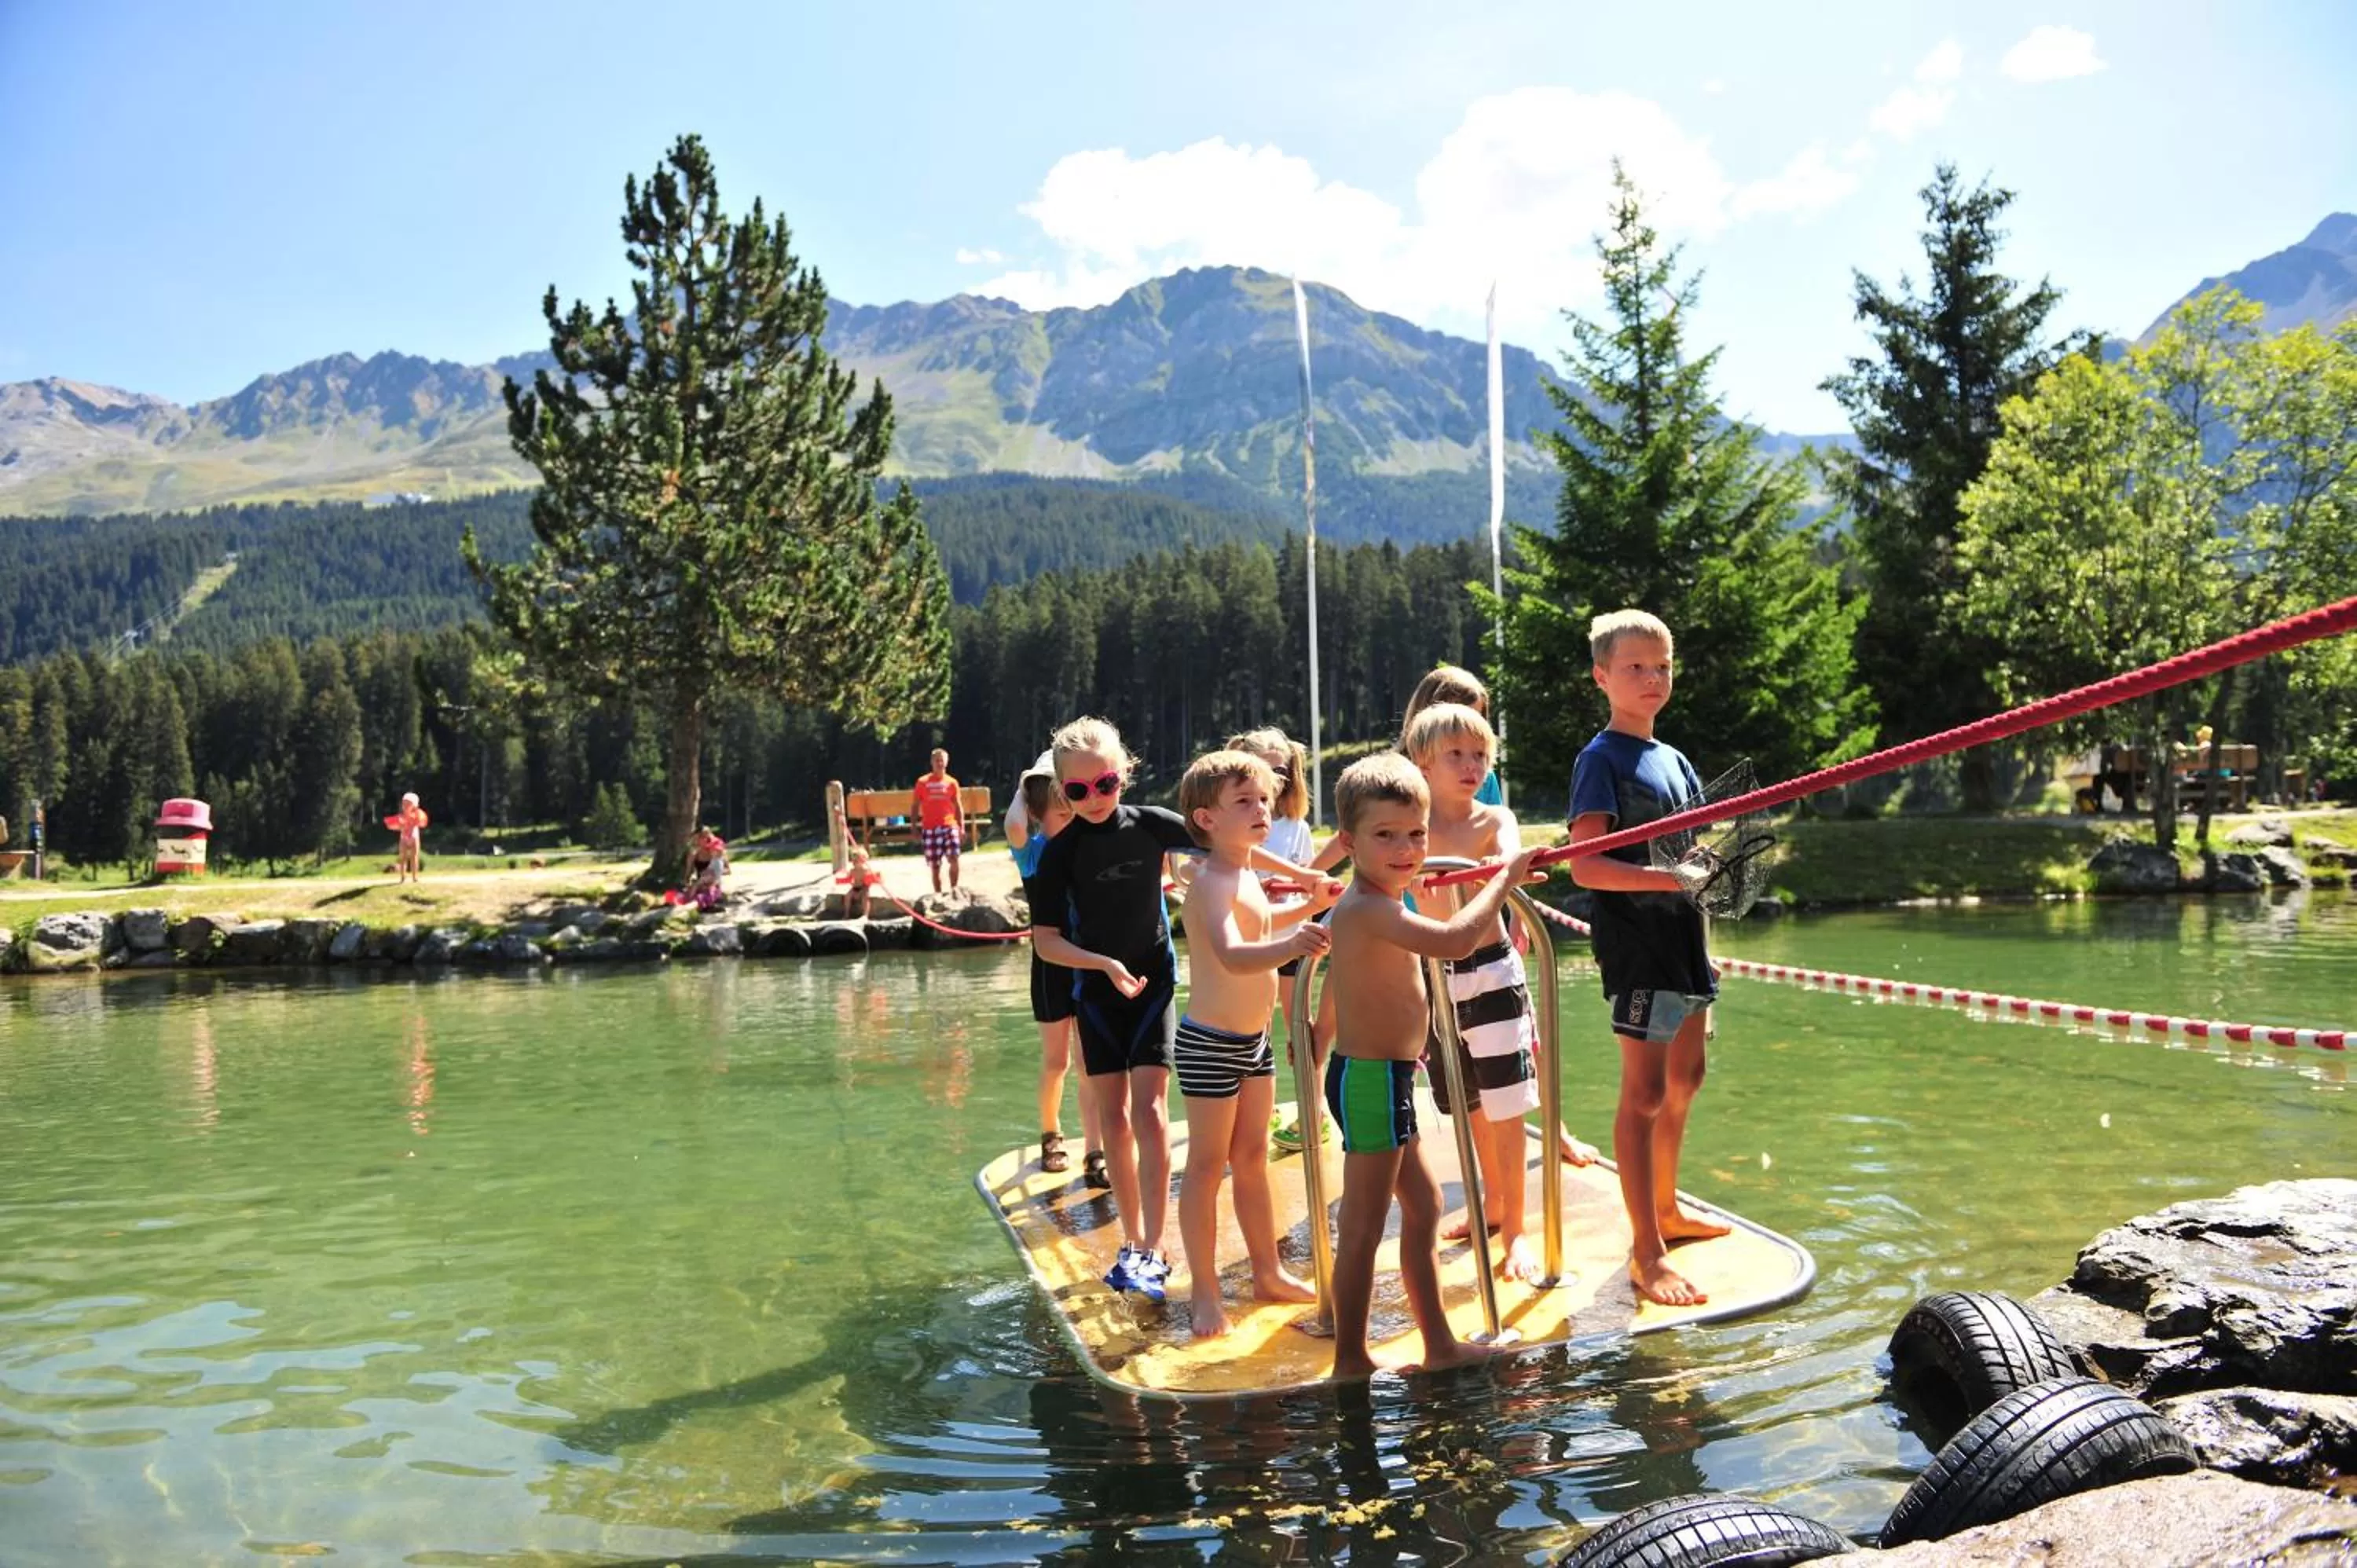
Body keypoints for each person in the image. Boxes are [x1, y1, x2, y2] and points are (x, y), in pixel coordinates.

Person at [1028, 717, 1322, 1303]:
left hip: (1154, 980)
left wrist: (1306, 877)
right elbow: (1045, 941)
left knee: (1154, 1109)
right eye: (1078, 792)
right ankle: (1135, 1238)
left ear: (1124, 776)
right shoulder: (1058, 855)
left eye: (1105, 785)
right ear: (1063, 792)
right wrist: (1100, 965)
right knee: (1112, 1115)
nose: (1094, 800)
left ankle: (1159, 1240)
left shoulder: (1152, 826)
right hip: (1098, 987)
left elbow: (1233, 848)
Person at [1321, 751, 1538, 1380]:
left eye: (1415, 833)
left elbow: (1349, 986)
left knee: (1420, 1210)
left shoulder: (1382, 899)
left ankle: (1438, 1344)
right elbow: (1452, 941)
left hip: (1382, 1079)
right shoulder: (1367, 906)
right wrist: (1502, 879)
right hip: (1369, 1081)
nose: (1406, 848)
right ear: (1349, 843)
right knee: (1362, 1226)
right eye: (1384, 835)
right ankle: (1351, 1360)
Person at [1567, 609, 1728, 1309]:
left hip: (1687, 943)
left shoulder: (1677, 759)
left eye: (1662, 666)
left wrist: (1704, 873)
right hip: (1638, 948)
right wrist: (1667, 880)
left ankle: (1666, 1208)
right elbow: (1587, 867)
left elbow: (1689, 857)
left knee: (1687, 1078)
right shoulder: (1599, 760)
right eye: (1635, 666)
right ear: (1603, 676)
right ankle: (1644, 1252)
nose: (1652, 678)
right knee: (1645, 1095)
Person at [1400, 665, 1600, 1169]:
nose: (1473, 754)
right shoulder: (1405, 791)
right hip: (1421, 933)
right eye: (1460, 726)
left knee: (1519, 1045)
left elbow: (1501, 850)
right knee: (1451, 1067)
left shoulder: (1482, 790)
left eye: (1481, 725)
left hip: (1484, 927)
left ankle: (1552, 1128)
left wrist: (1514, 909)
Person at [1173, 748, 1337, 1339]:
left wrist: (1309, 907)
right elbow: (1234, 955)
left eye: (1265, 798)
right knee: (1206, 1165)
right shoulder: (1211, 882)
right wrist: (1298, 940)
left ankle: (1266, 1270)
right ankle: (1205, 1291)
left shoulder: (1243, 870)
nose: (1261, 808)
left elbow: (1263, 925)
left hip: (1256, 1042)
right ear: (1207, 819)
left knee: (1252, 1160)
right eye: (1244, 801)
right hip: (1211, 1043)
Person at [1402, 702, 1545, 1283]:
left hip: (1488, 971)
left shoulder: (1493, 820)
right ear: (1422, 763)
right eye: (1454, 755)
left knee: (1505, 1106)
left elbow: (1509, 852)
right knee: (1470, 1105)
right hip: (1433, 976)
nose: (1470, 765)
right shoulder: (1412, 823)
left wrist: (1500, 868)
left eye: (1479, 755)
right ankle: (1494, 1202)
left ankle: (1518, 1232)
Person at [1009, 767, 1105, 1185]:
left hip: (1085, 964)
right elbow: (1013, 825)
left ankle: (1095, 1149)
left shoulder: (1086, 849)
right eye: (1062, 816)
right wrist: (1022, 785)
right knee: (1057, 1061)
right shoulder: (1032, 854)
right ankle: (1051, 1134)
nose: (1072, 823)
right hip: (1049, 969)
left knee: (1089, 1063)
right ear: (1038, 817)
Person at [913, 748, 968, 895]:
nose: (939, 763)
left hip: (949, 825)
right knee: (935, 865)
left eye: (942, 760)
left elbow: (958, 806)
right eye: (936, 760)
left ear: (947, 763)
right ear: (932, 763)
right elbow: (915, 806)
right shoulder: (922, 782)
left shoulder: (952, 783)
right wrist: (914, 827)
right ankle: (938, 894)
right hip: (930, 827)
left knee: (954, 857)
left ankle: (954, 890)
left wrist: (961, 827)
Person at [390, 792, 428, 885]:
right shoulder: (401, 816)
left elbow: (422, 823)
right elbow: (396, 825)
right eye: (404, 803)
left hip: (414, 836)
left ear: (414, 805)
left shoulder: (418, 814)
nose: (405, 806)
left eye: (408, 804)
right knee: (403, 857)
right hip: (404, 837)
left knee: (414, 857)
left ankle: (415, 877)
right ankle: (403, 877)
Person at [687, 826, 728, 911]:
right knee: (694, 891)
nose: (697, 841)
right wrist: (690, 881)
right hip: (700, 883)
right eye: (696, 839)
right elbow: (688, 873)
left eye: (700, 838)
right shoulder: (693, 854)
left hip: (713, 883)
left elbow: (727, 870)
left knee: (709, 891)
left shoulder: (718, 852)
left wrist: (711, 875)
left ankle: (708, 905)